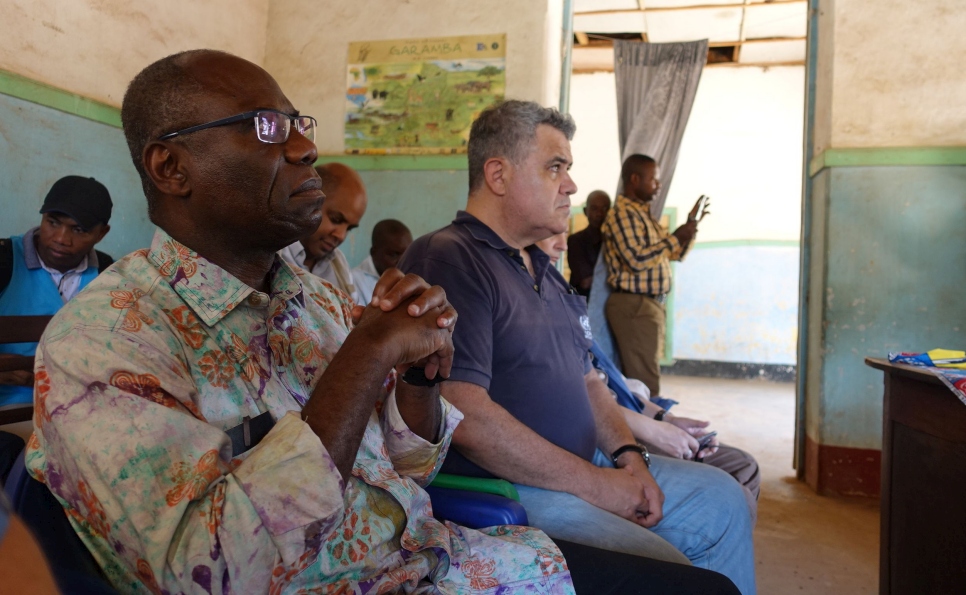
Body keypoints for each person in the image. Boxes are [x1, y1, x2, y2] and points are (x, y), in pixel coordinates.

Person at [26, 50, 739, 595]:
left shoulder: (310, 297)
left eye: (298, 123)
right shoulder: (106, 338)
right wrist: (364, 358)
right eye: (267, 128)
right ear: (171, 166)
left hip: (440, 561)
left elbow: (407, 463)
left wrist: (421, 385)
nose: (305, 147)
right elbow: (210, 571)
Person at [400, 100, 755, 594]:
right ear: (498, 175)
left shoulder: (542, 270)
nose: (569, 184)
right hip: (513, 487)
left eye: (568, 169)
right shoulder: (452, 257)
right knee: (672, 572)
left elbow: (589, 380)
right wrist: (598, 485)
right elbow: (462, 412)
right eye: (555, 168)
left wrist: (630, 458)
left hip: (586, 466)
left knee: (725, 496)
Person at [538, 233, 760, 524]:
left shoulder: (561, 296)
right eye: (551, 233)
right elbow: (578, 400)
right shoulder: (537, 314)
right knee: (728, 496)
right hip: (607, 436)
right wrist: (649, 435)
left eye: (565, 233)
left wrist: (664, 419)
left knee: (743, 466)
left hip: (624, 421)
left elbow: (605, 383)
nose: (562, 244)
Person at [0, 176, 113, 406]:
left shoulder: (108, 274)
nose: (61, 239)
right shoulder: (4, 259)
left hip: (79, 410)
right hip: (9, 408)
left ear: (102, 234)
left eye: (79, 230)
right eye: (53, 222)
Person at [602, 154, 709, 396]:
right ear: (635, 179)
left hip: (647, 305)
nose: (658, 185)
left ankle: (647, 429)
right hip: (635, 304)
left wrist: (690, 227)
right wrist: (675, 236)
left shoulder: (642, 213)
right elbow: (636, 260)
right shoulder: (623, 214)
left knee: (646, 376)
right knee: (644, 381)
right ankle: (647, 432)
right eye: (654, 180)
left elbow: (674, 253)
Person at [279, 162, 367, 304]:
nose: (341, 235)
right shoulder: (274, 256)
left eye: (349, 228)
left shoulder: (338, 264)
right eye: (336, 219)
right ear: (309, 201)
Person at [352, 219, 413, 304]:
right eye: (394, 254)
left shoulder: (410, 276)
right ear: (374, 252)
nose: (402, 261)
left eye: (407, 254)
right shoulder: (354, 281)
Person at [567, 190, 610, 297]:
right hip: (584, 306)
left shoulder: (614, 241)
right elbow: (585, 282)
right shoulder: (576, 241)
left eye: (605, 209)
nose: (600, 214)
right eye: (594, 208)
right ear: (586, 211)